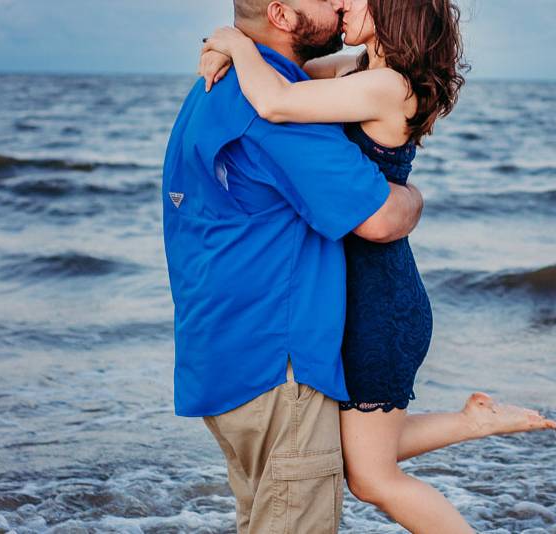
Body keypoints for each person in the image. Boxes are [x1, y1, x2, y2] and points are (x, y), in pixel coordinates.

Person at [198, 1, 556, 532]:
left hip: (378, 301)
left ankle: (469, 441)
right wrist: (239, 52)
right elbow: (286, 75)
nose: (341, 2)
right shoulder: (357, 69)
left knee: (371, 478)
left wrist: (231, 42)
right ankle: (472, 420)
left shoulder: (391, 86)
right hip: (353, 294)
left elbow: (276, 101)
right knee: (346, 455)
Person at [163, 1, 426, 533]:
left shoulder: (219, 87)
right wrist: (414, 198)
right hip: (276, 367)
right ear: (282, 15)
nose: (336, 1)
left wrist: (231, 43)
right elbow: (377, 219)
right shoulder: (275, 111)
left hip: (221, 358)